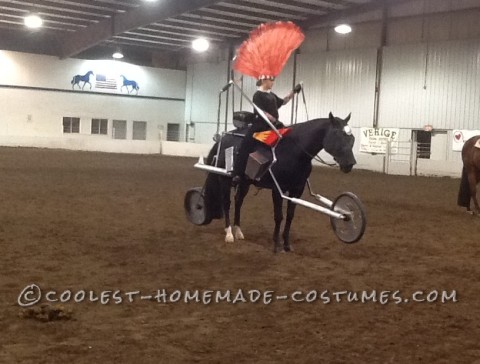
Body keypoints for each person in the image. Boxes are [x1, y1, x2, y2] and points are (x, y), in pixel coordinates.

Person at [232, 76, 302, 184]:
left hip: (273, 125)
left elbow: (283, 102)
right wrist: (274, 120)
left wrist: (294, 91)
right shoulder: (257, 95)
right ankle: (238, 173)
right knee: (246, 145)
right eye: (271, 80)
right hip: (260, 125)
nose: (273, 82)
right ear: (264, 81)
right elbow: (262, 112)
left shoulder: (271, 95)